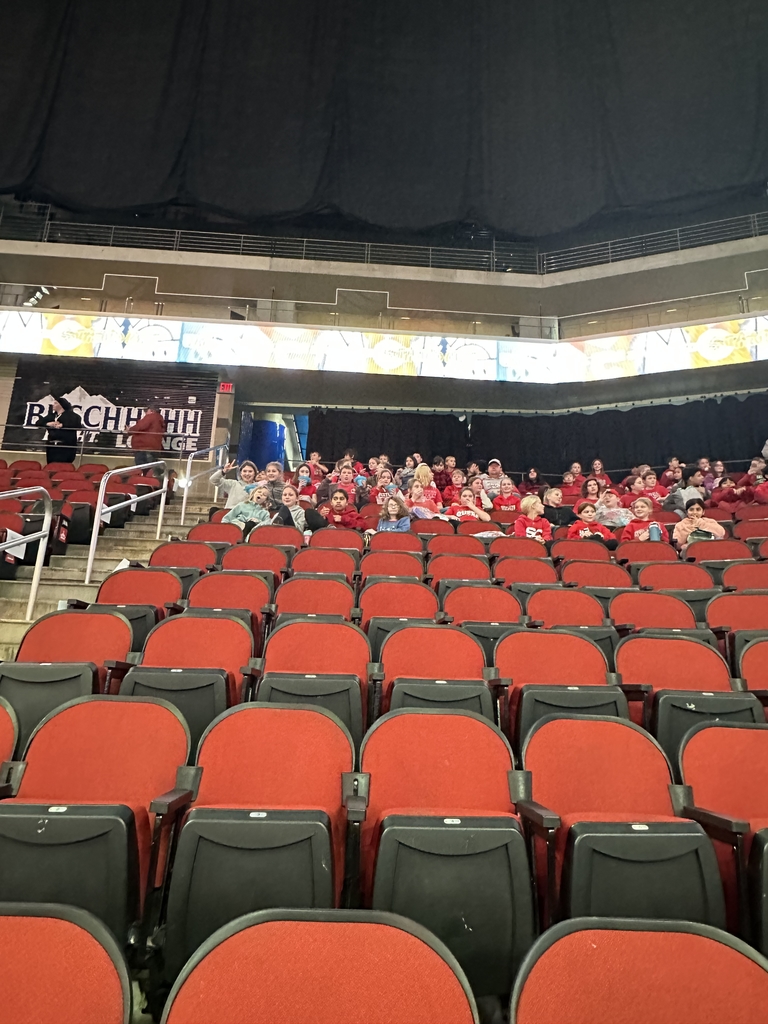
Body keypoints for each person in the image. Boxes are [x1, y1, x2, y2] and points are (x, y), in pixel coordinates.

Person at [127, 404, 166, 475]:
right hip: (153, 448)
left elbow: (140, 426)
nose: (145, 413)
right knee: (149, 469)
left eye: (146, 411)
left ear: (151, 411)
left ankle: (147, 481)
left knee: (143, 469)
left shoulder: (151, 416)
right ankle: (155, 477)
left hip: (144, 448)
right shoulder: (159, 420)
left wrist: (129, 430)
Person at [44, 396, 82, 464]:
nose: (53, 405)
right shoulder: (52, 416)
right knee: (51, 464)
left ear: (61, 405)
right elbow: (39, 422)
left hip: (65, 445)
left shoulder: (72, 416)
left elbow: (77, 424)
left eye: (55, 403)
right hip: (52, 445)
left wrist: (63, 425)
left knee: (64, 464)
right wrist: (48, 423)